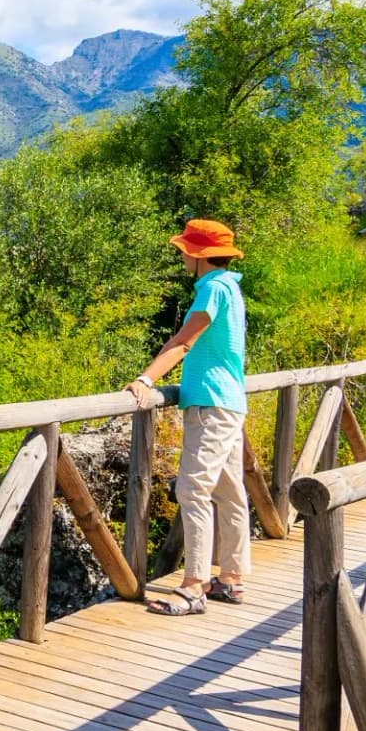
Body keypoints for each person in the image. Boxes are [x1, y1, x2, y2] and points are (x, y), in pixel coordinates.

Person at [125, 219, 248, 616]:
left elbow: (184, 341)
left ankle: (194, 585)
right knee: (228, 492)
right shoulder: (231, 286)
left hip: (211, 404)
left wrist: (146, 379)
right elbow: (185, 339)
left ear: (197, 255)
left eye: (184, 250)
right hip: (229, 401)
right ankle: (230, 579)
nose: (181, 256)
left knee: (192, 489)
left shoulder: (212, 288)